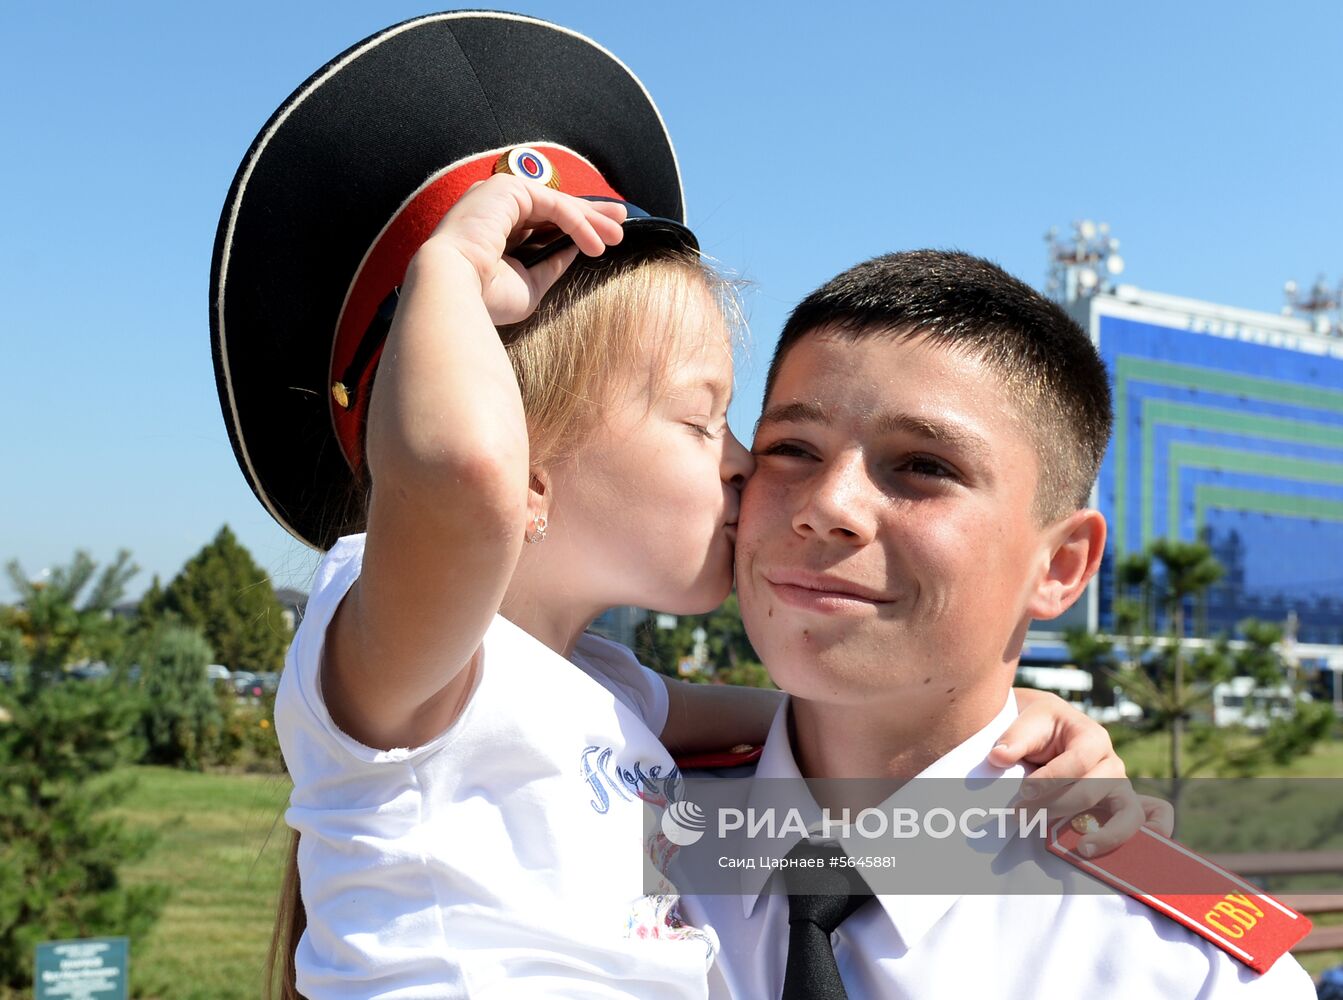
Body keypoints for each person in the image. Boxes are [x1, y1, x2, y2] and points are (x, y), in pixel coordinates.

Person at [210, 14, 1161, 999]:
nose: (749, 466)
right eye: (705, 420)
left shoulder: (611, 691)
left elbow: (833, 722)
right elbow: (456, 479)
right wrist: (444, 275)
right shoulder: (412, 659)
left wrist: (1001, 716)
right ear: (526, 479)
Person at [685, 250, 1316, 998]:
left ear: (1061, 566)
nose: (827, 505)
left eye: (922, 466)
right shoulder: (602, 824)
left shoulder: (1190, 969)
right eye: (790, 449)